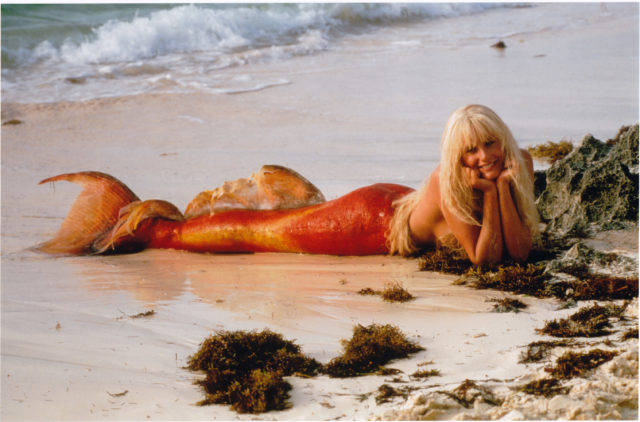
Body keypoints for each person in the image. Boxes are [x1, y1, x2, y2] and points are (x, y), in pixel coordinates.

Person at [38, 104, 538, 263]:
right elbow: (488, 261)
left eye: (489, 144)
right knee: (266, 231)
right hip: (371, 221)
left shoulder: (523, 163)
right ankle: (150, 227)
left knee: (274, 223)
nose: (483, 157)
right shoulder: (449, 181)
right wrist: (495, 193)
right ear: (455, 156)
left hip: (395, 199)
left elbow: (522, 248)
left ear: (502, 140)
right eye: (469, 150)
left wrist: (506, 190)